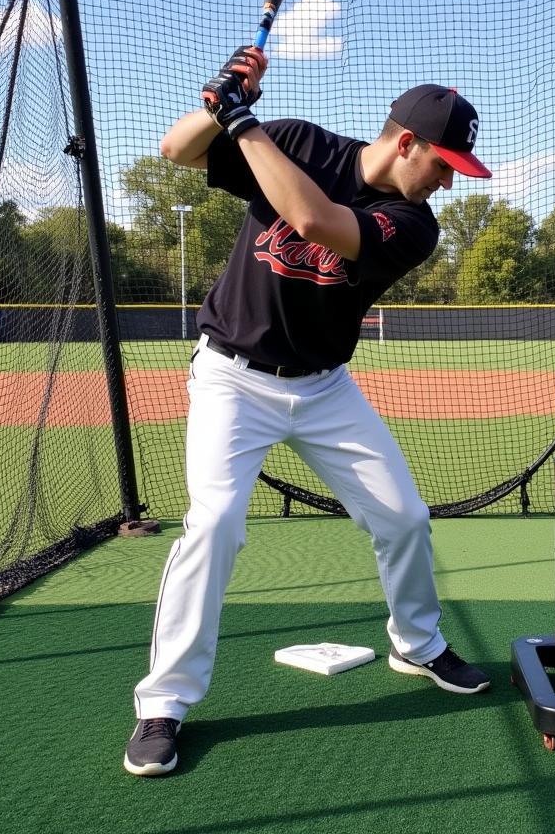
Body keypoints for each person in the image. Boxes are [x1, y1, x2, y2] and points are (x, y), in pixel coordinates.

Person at [124, 47, 494, 777]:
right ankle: (163, 704)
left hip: (324, 388)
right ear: (405, 142)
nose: (449, 180)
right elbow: (175, 151)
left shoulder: (414, 225)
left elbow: (312, 219)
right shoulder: (295, 139)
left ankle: (416, 645)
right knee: (218, 523)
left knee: (402, 517)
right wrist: (219, 101)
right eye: (444, 163)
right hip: (232, 376)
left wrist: (243, 121)